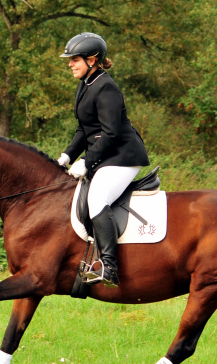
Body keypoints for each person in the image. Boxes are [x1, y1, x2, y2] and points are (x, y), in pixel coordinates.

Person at [57, 32, 149, 288]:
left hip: (123, 156)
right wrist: (66, 156)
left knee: (97, 198)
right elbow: (84, 129)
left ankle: (109, 266)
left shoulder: (106, 86)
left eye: (74, 59)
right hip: (107, 154)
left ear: (92, 59)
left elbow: (111, 133)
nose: (70, 64)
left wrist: (87, 161)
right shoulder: (86, 83)